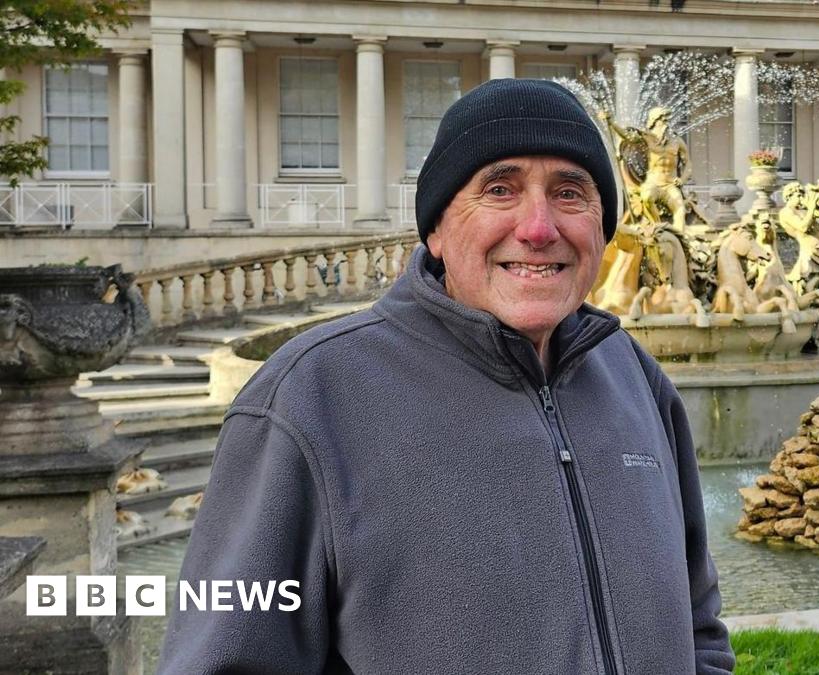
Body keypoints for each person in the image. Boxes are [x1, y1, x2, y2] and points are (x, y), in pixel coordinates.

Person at [157, 78, 735, 675]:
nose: (539, 229)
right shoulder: (309, 397)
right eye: (500, 190)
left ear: (603, 227)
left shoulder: (636, 376)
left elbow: (697, 623)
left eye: (570, 193)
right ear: (436, 228)